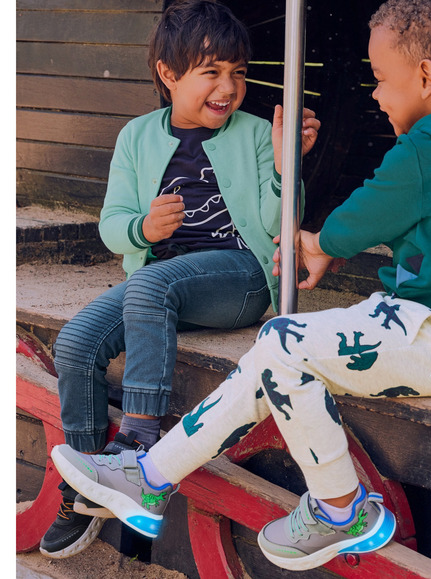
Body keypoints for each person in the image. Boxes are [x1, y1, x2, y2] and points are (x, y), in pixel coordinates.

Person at [50, 0, 431, 571]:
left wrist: (319, 243)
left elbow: (359, 218)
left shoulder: (426, 149)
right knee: (274, 350)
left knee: (284, 342)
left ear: (426, 77)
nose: (376, 96)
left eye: (381, 80)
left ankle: (340, 508)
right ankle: (149, 477)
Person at [39, 0, 320, 559]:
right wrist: (143, 228)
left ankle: (138, 443)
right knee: (74, 344)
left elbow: (276, 227)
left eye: (238, 72)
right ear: (168, 75)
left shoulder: (256, 134)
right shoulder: (136, 137)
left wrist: (288, 170)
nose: (229, 86)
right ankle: (88, 488)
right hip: (160, 281)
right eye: (211, 72)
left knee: (152, 286)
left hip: (238, 277)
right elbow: (112, 226)